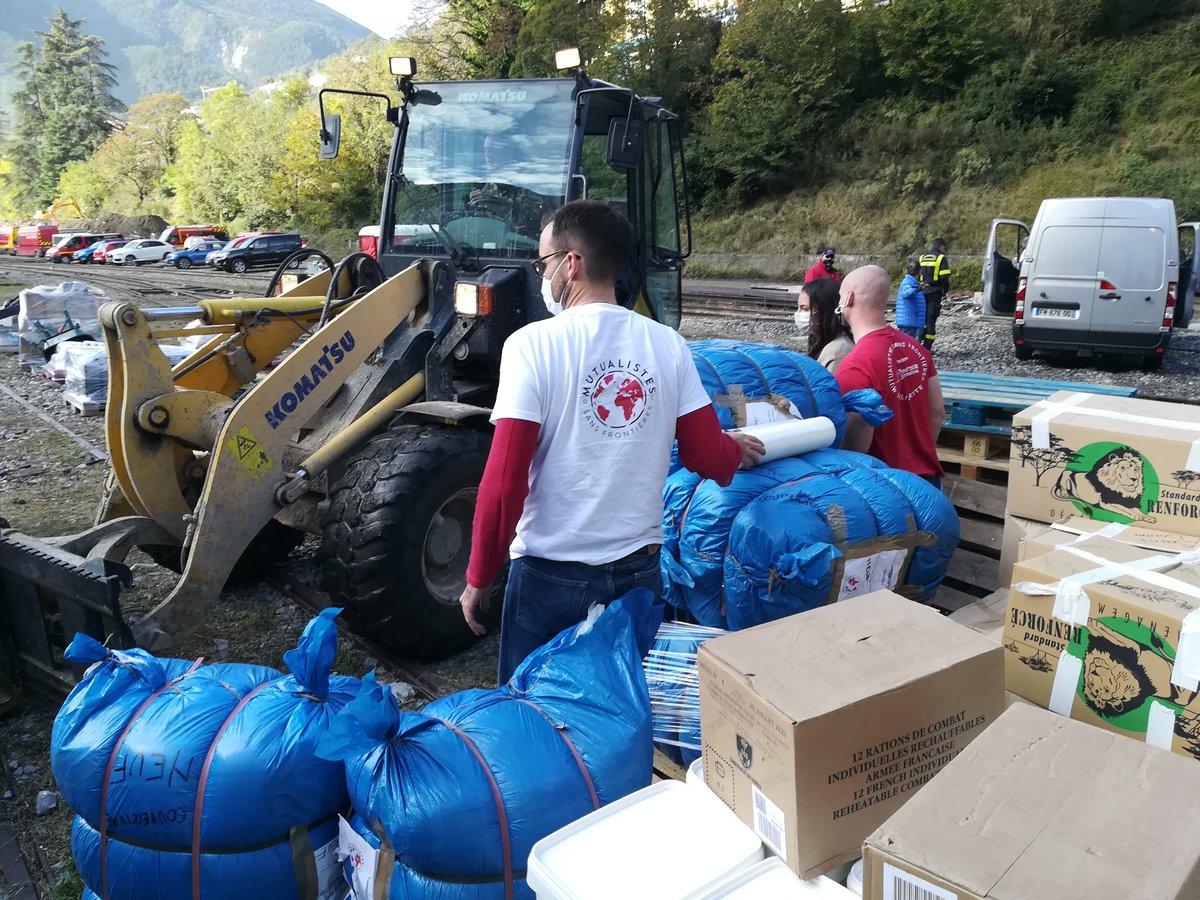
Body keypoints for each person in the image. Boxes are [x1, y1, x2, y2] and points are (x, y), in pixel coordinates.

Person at [459, 200, 765, 683]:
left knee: (534, 722)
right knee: (617, 714)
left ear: (571, 264)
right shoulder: (667, 343)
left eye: (543, 264)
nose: (542, 276)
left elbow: (503, 482)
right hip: (637, 575)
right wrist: (736, 451)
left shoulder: (532, 345)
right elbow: (706, 454)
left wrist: (479, 575)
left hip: (549, 576)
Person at [834, 265, 944, 488]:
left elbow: (857, 445)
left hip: (885, 490)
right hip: (926, 484)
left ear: (848, 298)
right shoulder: (917, 350)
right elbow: (937, 413)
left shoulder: (855, 366)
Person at [796, 277, 854, 372]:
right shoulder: (819, 340)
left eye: (805, 309)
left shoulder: (838, 351)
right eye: (798, 308)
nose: (798, 314)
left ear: (824, 310)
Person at [918, 238, 951, 350]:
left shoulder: (922, 257)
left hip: (922, 292)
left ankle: (917, 345)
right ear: (941, 246)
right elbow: (944, 277)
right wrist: (945, 291)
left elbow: (917, 274)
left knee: (922, 319)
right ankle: (926, 348)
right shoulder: (941, 258)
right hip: (935, 292)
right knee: (931, 320)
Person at [894, 258, 925, 341]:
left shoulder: (913, 282)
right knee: (908, 346)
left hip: (912, 321)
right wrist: (917, 289)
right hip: (908, 322)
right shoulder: (908, 282)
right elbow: (905, 293)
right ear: (918, 271)